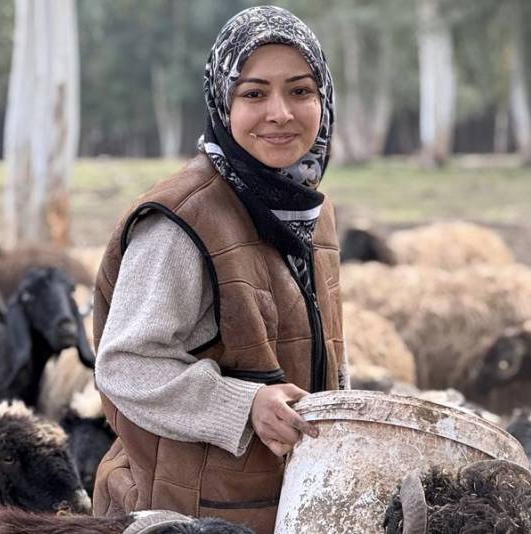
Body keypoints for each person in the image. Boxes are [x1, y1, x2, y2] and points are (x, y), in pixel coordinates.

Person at [91, 6, 347, 532]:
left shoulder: (308, 211)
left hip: (284, 505)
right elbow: (124, 365)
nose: (280, 112)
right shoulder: (183, 221)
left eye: (300, 91)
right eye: (253, 94)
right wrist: (245, 402)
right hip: (182, 515)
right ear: (221, 100)